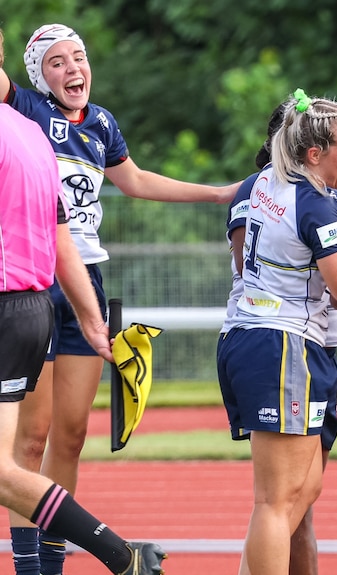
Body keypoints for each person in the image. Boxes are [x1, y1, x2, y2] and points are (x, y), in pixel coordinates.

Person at [0, 24, 239, 575]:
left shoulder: (102, 122)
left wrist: (218, 193)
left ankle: (56, 556)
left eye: (78, 57)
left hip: (89, 280)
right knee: (29, 438)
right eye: (56, 62)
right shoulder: (28, 110)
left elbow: (134, 181)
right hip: (38, 279)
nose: (72, 69)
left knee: (73, 433)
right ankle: (30, 566)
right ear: (38, 74)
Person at [218, 98, 337, 575]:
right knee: (276, 502)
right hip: (282, 343)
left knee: (303, 489)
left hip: (262, 337)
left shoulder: (262, 183)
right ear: (314, 152)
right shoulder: (316, 205)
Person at [0, 95, 166, 573]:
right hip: (30, 306)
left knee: (6, 469)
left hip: (7, 306)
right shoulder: (32, 134)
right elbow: (60, 236)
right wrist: (94, 323)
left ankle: (122, 555)